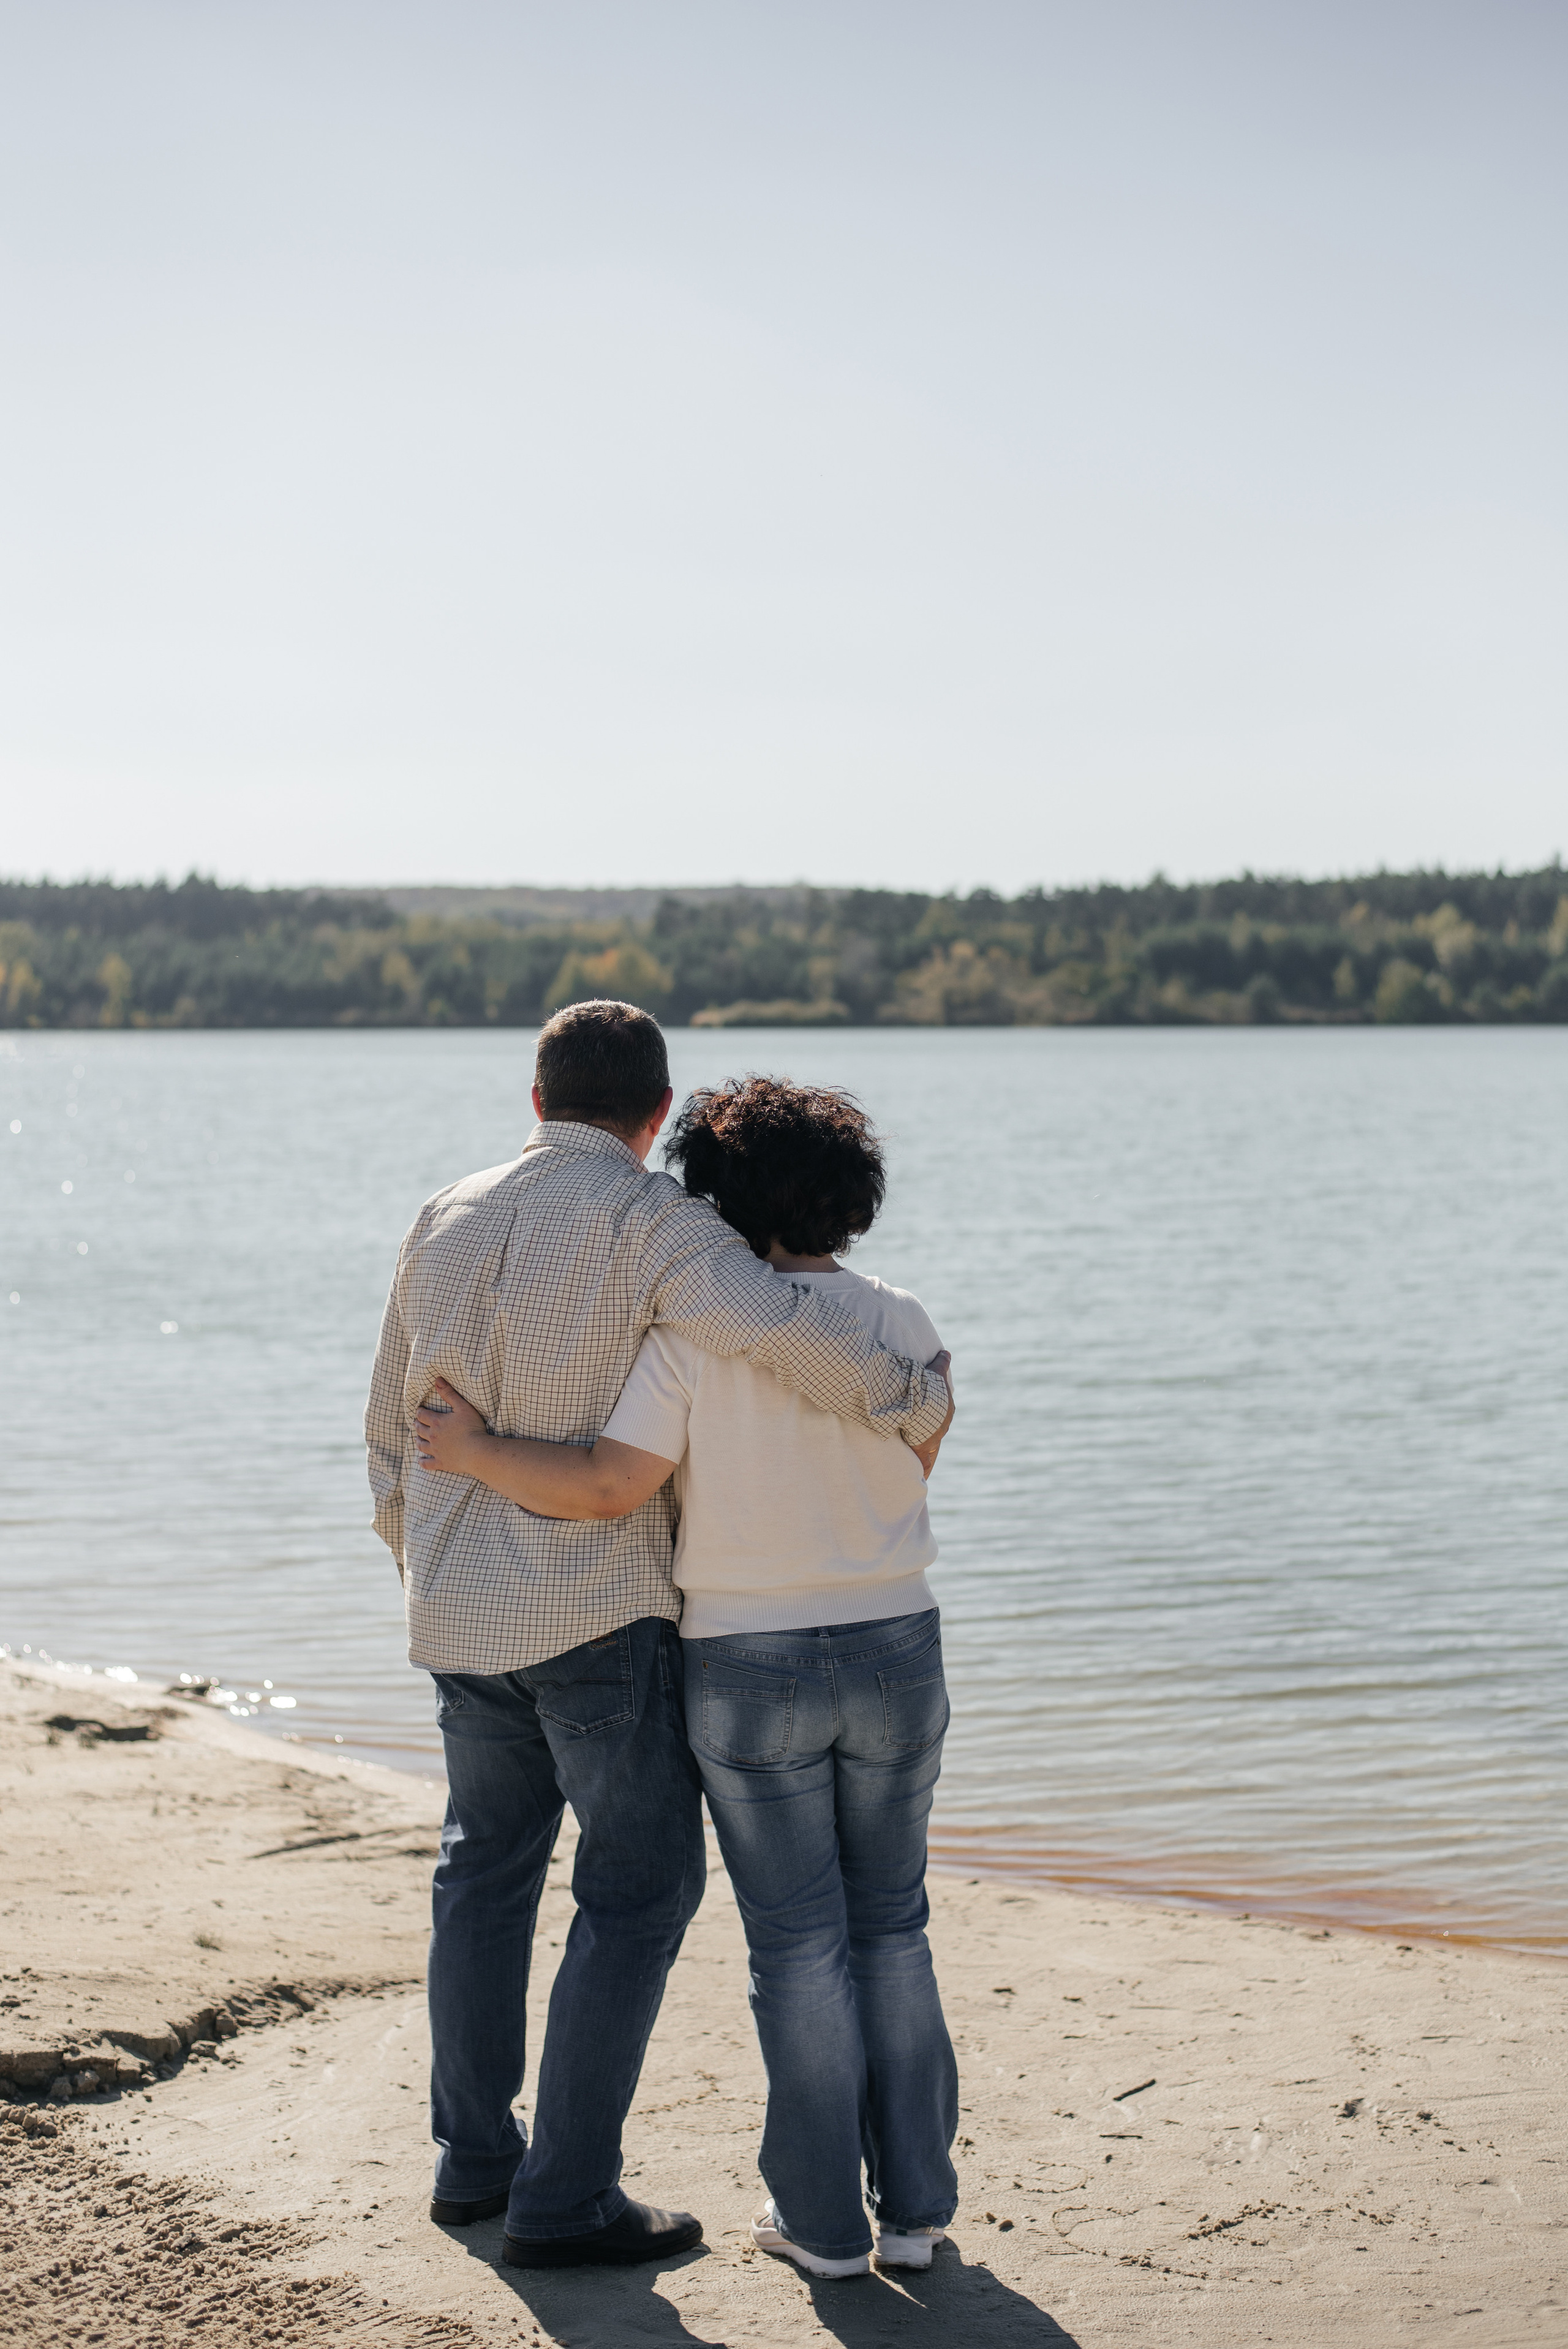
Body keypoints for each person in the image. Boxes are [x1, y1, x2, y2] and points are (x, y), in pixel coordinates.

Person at [365, 1004, 951, 2271]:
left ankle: (474, 2164)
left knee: (482, 1872)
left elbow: (384, 1419)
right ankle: (566, 2195)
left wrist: (420, 1551)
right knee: (637, 1895)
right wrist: (914, 1399)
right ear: (649, 1120)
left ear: (535, 1100)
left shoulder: (441, 1215)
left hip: (460, 1609)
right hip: (597, 1614)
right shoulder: (657, 1227)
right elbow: (789, 1331)